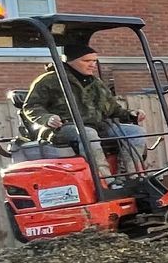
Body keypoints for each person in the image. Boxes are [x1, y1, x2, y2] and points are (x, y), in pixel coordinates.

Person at [21, 45, 151, 172]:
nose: (92, 64)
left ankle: (129, 175)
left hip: (99, 127)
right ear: (70, 61)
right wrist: (47, 118)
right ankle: (104, 179)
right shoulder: (49, 81)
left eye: (94, 61)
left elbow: (113, 109)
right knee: (88, 134)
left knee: (135, 131)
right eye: (87, 61)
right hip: (64, 128)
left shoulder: (96, 83)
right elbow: (31, 106)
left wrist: (131, 114)